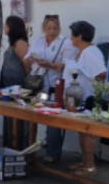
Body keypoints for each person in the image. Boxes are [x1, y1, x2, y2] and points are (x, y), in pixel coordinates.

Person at [24, 15, 75, 163]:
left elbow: (68, 65)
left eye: (55, 28)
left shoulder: (66, 43)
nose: (52, 31)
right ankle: (28, 149)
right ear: (44, 29)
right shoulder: (38, 41)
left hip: (53, 85)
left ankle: (52, 153)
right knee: (30, 115)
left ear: (59, 28)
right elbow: (26, 58)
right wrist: (30, 59)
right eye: (49, 28)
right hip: (37, 84)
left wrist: (50, 65)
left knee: (52, 120)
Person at [63, 21, 108, 175]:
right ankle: (84, 161)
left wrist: (96, 96)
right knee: (82, 132)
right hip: (76, 99)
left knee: (88, 132)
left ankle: (90, 165)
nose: (70, 38)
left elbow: (102, 74)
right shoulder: (81, 51)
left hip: (88, 98)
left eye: (72, 35)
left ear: (79, 36)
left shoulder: (90, 52)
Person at [0, 16, 30, 148]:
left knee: (18, 119)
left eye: (6, 25)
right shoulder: (12, 43)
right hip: (8, 88)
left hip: (18, 88)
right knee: (9, 118)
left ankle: (19, 147)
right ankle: (8, 145)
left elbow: (27, 64)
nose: (4, 28)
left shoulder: (21, 43)